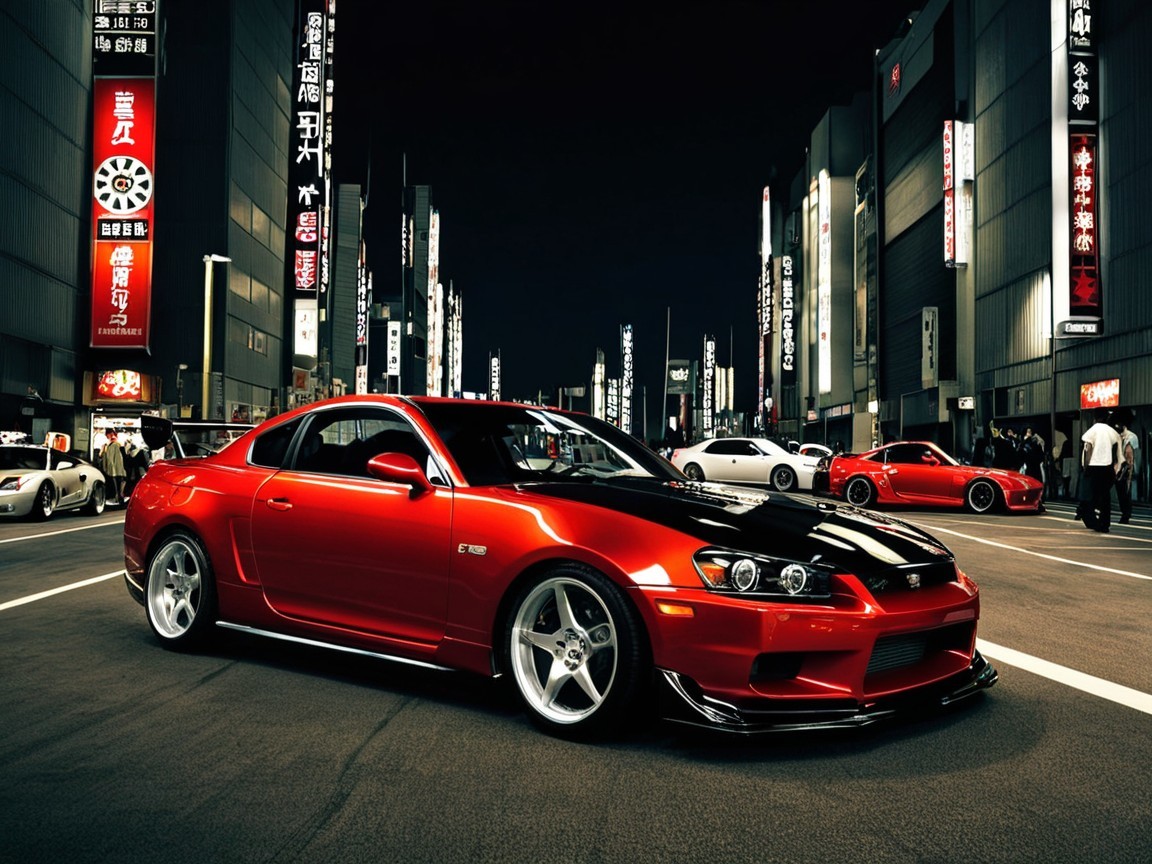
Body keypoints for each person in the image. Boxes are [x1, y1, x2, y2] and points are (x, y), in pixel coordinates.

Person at [1080, 407, 1122, 533]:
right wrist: (1116, 469)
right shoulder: (1113, 433)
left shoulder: (1091, 431)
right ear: (1107, 417)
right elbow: (1117, 453)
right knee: (1105, 497)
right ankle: (1105, 524)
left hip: (1093, 467)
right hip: (1108, 467)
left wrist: (1086, 467)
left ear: (1094, 417)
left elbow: (1088, 449)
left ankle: (1093, 522)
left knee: (1089, 496)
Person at [1115, 410, 1139, 525]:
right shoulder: (1119, 437)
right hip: (1119, 467)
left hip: (1127, 467)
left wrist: (1131, 470)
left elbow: (1132, 456)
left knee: (1125, 491)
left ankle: (1126, 514)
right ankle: (1125, 513)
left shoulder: (1131, 437)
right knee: (1121, 492)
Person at [99, 430, 126, 504]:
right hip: (117, 467)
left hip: (114, 467)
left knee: (116, 482)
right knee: (118, 481)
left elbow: (104, 456)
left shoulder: (113, 444)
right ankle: (119, 496)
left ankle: (119, 496)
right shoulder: (113, 444)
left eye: (109, 435)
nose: (109, 437)